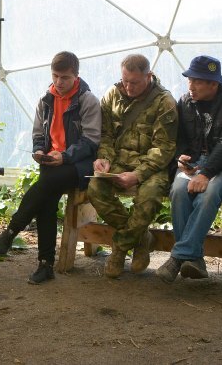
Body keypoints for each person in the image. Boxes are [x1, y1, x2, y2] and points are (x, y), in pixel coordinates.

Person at [0, 52, 101, 284]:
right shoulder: (46, 100)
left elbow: (91, 141)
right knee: (46, 200)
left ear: (76, 76)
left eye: (65, 77)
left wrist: (65, 156)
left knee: (47, 185)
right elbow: (38, 134)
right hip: (52, 164)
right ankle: (44, 265)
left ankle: (12, 232)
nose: (59, 82)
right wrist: (39, 150)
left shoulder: (87, 100)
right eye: (55, 76)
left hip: (78, 166)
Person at [87, 53, 177, 278]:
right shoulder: (112, 94)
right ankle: (141, 238)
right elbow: (106, 135)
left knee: (149, 197)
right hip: (119, 162)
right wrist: (104, 158)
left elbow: (163, 149)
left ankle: (119, 247)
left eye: (134, 82)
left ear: (149, 76)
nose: (128, 87)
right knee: (95, 188)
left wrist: (137, 175)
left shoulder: (164, 102)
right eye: (125, 80)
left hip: (151, 167)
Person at [157, 55, 222, 283]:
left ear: (213, 84)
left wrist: (205, 174)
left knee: (209, 194)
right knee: (178, 190)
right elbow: (180, 138)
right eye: (189, 80)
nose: (191, 86)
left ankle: (178, 257)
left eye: (197, 81)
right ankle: (194, 259)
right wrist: (181, 158)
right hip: (194, 163)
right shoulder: (185, 101)